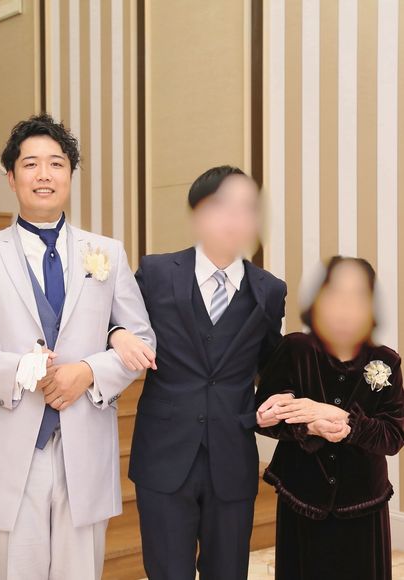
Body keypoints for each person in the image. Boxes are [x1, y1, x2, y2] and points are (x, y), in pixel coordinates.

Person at [0, 114, 155, 580]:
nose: (44, 175)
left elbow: (142, 341)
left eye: (56, 163)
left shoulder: (107, 253)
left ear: (70, 175)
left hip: (83, 445)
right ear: (11, 178)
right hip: (9, 447)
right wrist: (16, 370)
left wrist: (88, 372)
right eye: (30, 164)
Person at [109, 165, 289, 579]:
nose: (234, 218)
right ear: (198, 213)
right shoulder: (156, 273)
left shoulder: (269, 290)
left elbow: (272, 367)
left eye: (246, 208)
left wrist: (281, 401)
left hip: (232, 457)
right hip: (163, 455)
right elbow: (109, 321)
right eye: (222, 206)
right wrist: (116, 333)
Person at [255, 256, 404, 580]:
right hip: (302, 495)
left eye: (357, 294)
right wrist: (308, 424)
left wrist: (342, 419)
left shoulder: (386, 361)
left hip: (363, 500)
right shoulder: (295, 349)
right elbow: (262, 416)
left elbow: (393, 437)